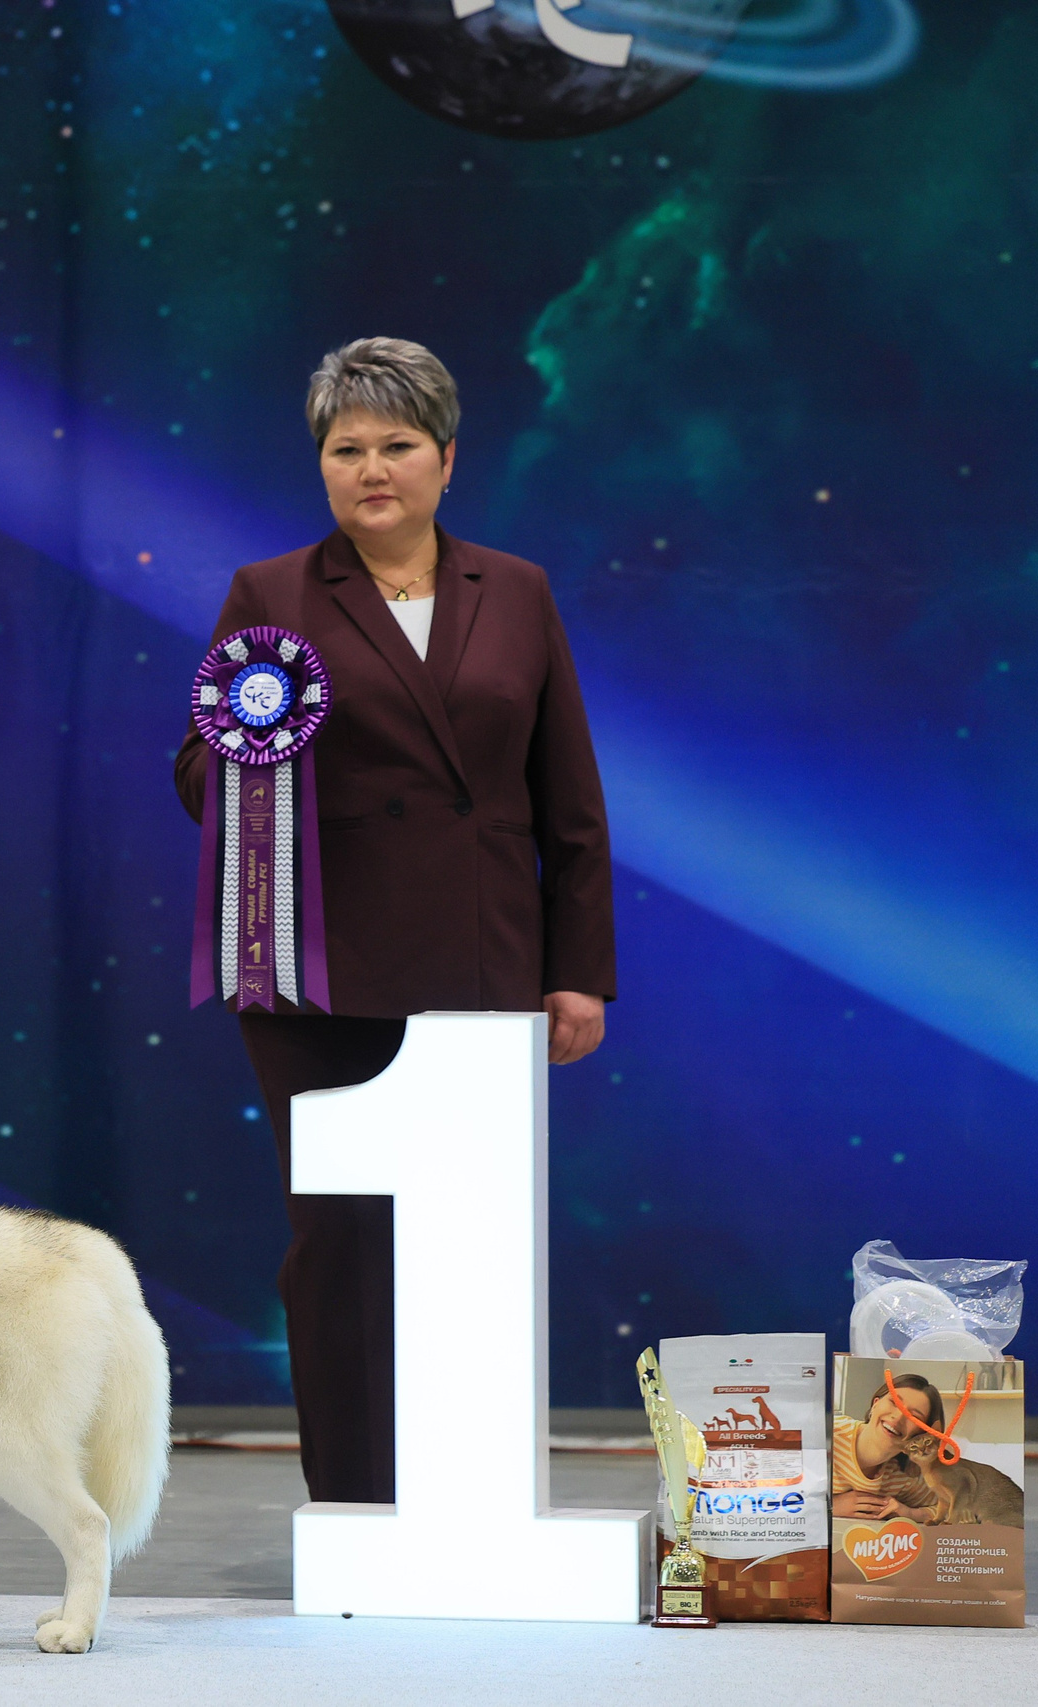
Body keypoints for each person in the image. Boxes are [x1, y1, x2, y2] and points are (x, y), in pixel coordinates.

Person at [173, 338, 616, 1505]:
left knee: (475, 1234)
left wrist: (579, 972)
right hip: (318, 973)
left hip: (482, 965)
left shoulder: (514, 590)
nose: (372, 468)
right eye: (346, 448)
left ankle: (473, 1496)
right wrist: (242, 760)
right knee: (339, 1247)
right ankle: (358, 1503)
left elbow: (567, 796)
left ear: (447, 459)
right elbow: (195, 775)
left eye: (397, 445)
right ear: (320, 466)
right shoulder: (268, 594)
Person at [831, 1374, 946, 1525]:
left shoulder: (908, 1475)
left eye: (914, 1417)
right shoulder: (828, 1435)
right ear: (875, 1404)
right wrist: (831, 1506)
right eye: (894, 1402)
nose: (898, 1418)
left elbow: (949, 1509)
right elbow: (789, 1495)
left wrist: (910, 1513)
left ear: (921, 1436)